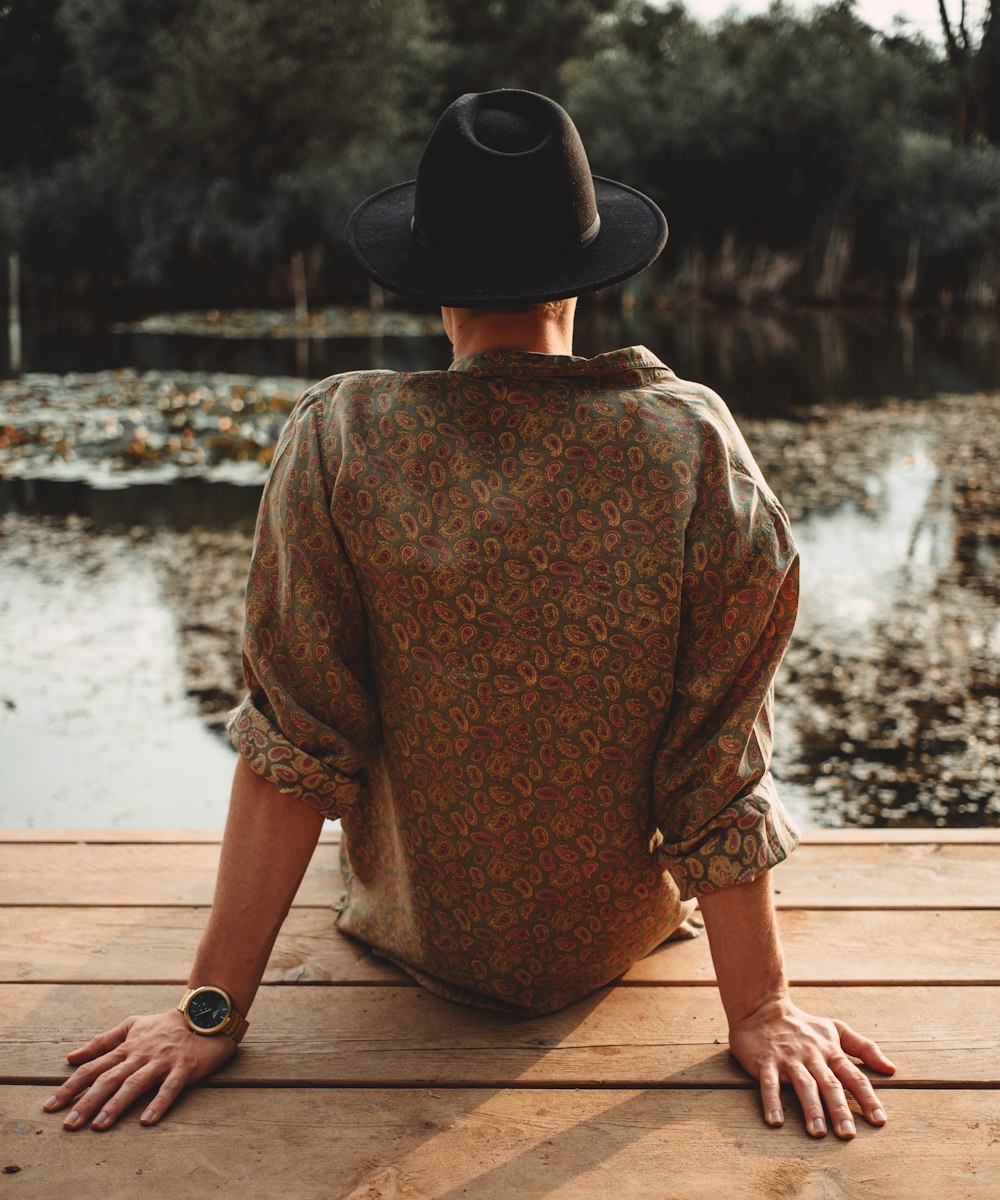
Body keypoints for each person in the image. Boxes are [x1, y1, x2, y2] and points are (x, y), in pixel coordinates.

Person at [42, 89, 895, 1139]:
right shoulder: (692, 449)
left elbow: (295, 747)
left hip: (415, 940)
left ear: (428, 282)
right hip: (614, 942)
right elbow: (718, 757)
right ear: (592, 275)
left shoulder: (341, 438)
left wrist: (208, 1011)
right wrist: (759, 1008)